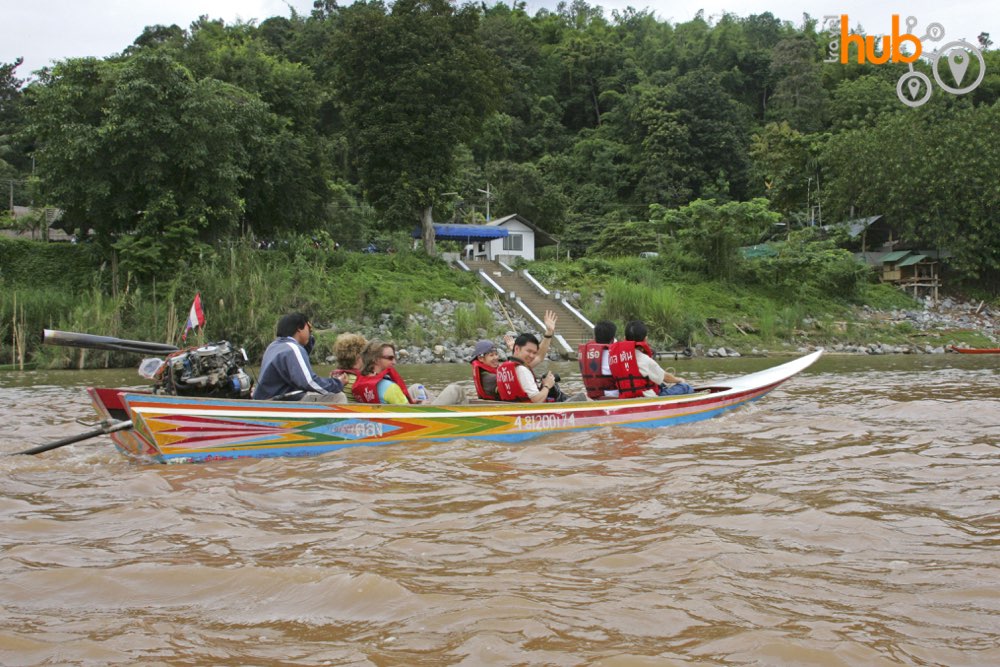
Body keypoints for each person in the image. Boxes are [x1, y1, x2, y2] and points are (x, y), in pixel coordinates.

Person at [253, 312, 347, 403]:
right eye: (308, 328)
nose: (310, 331)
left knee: (316, 392)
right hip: (279, 401)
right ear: (299, 328)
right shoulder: (293, 348)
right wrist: (337, 383)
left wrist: (309, 334)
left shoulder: (274, 346)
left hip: (269, 398)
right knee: (338, 397)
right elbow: (309, 382)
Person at [353, 341, 468, 405]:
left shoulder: (361, 381)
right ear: (375, 359)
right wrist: (423, 405)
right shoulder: (390, 388)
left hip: (386, 409)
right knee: (455, 390)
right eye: (390, 358)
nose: (394, 362)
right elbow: (410, 413)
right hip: (420, 421)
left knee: (416, 387)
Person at [608, 320, 694, 398]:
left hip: (626, 396)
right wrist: (680, 380)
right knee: (686, 387)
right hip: (647, 397)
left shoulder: (614, 358)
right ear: (645, 339)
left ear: (624, 338)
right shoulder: (644, 359)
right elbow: (666, 378)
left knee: (660, 385)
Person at [578, 320, 619, 399]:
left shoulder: (586, 354)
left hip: (593, 395)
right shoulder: (615, 356)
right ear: (612, 339)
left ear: (595, 338)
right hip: (613, 397)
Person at [469, 334, 514, 400]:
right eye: (491, 355)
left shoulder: (486, 374)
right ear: (481, 358)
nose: (496, 357)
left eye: (496, 354)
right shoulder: (490, 379)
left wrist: (514, 350)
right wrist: (515, 351)